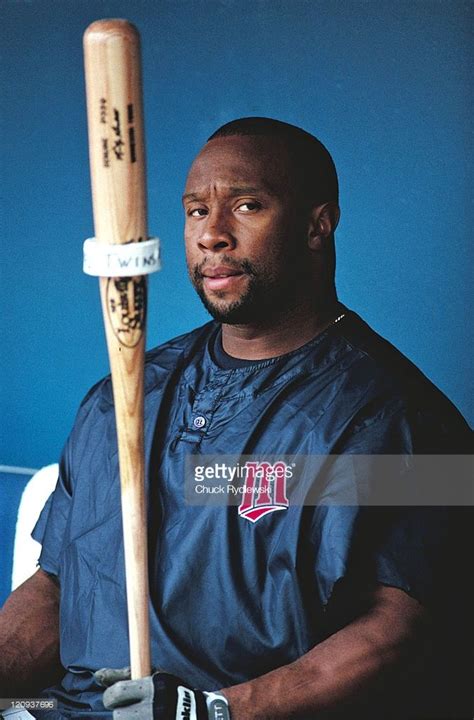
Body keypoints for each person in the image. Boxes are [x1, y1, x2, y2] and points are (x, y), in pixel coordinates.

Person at [0, 118, 471, 720]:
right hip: (71, 711)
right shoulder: (121, 399)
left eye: (247, 205)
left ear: (316, 225)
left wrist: (211, 710)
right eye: (197, 211)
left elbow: (400, 634)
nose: (212, 235)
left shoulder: (408, 423)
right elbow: (57, 587)